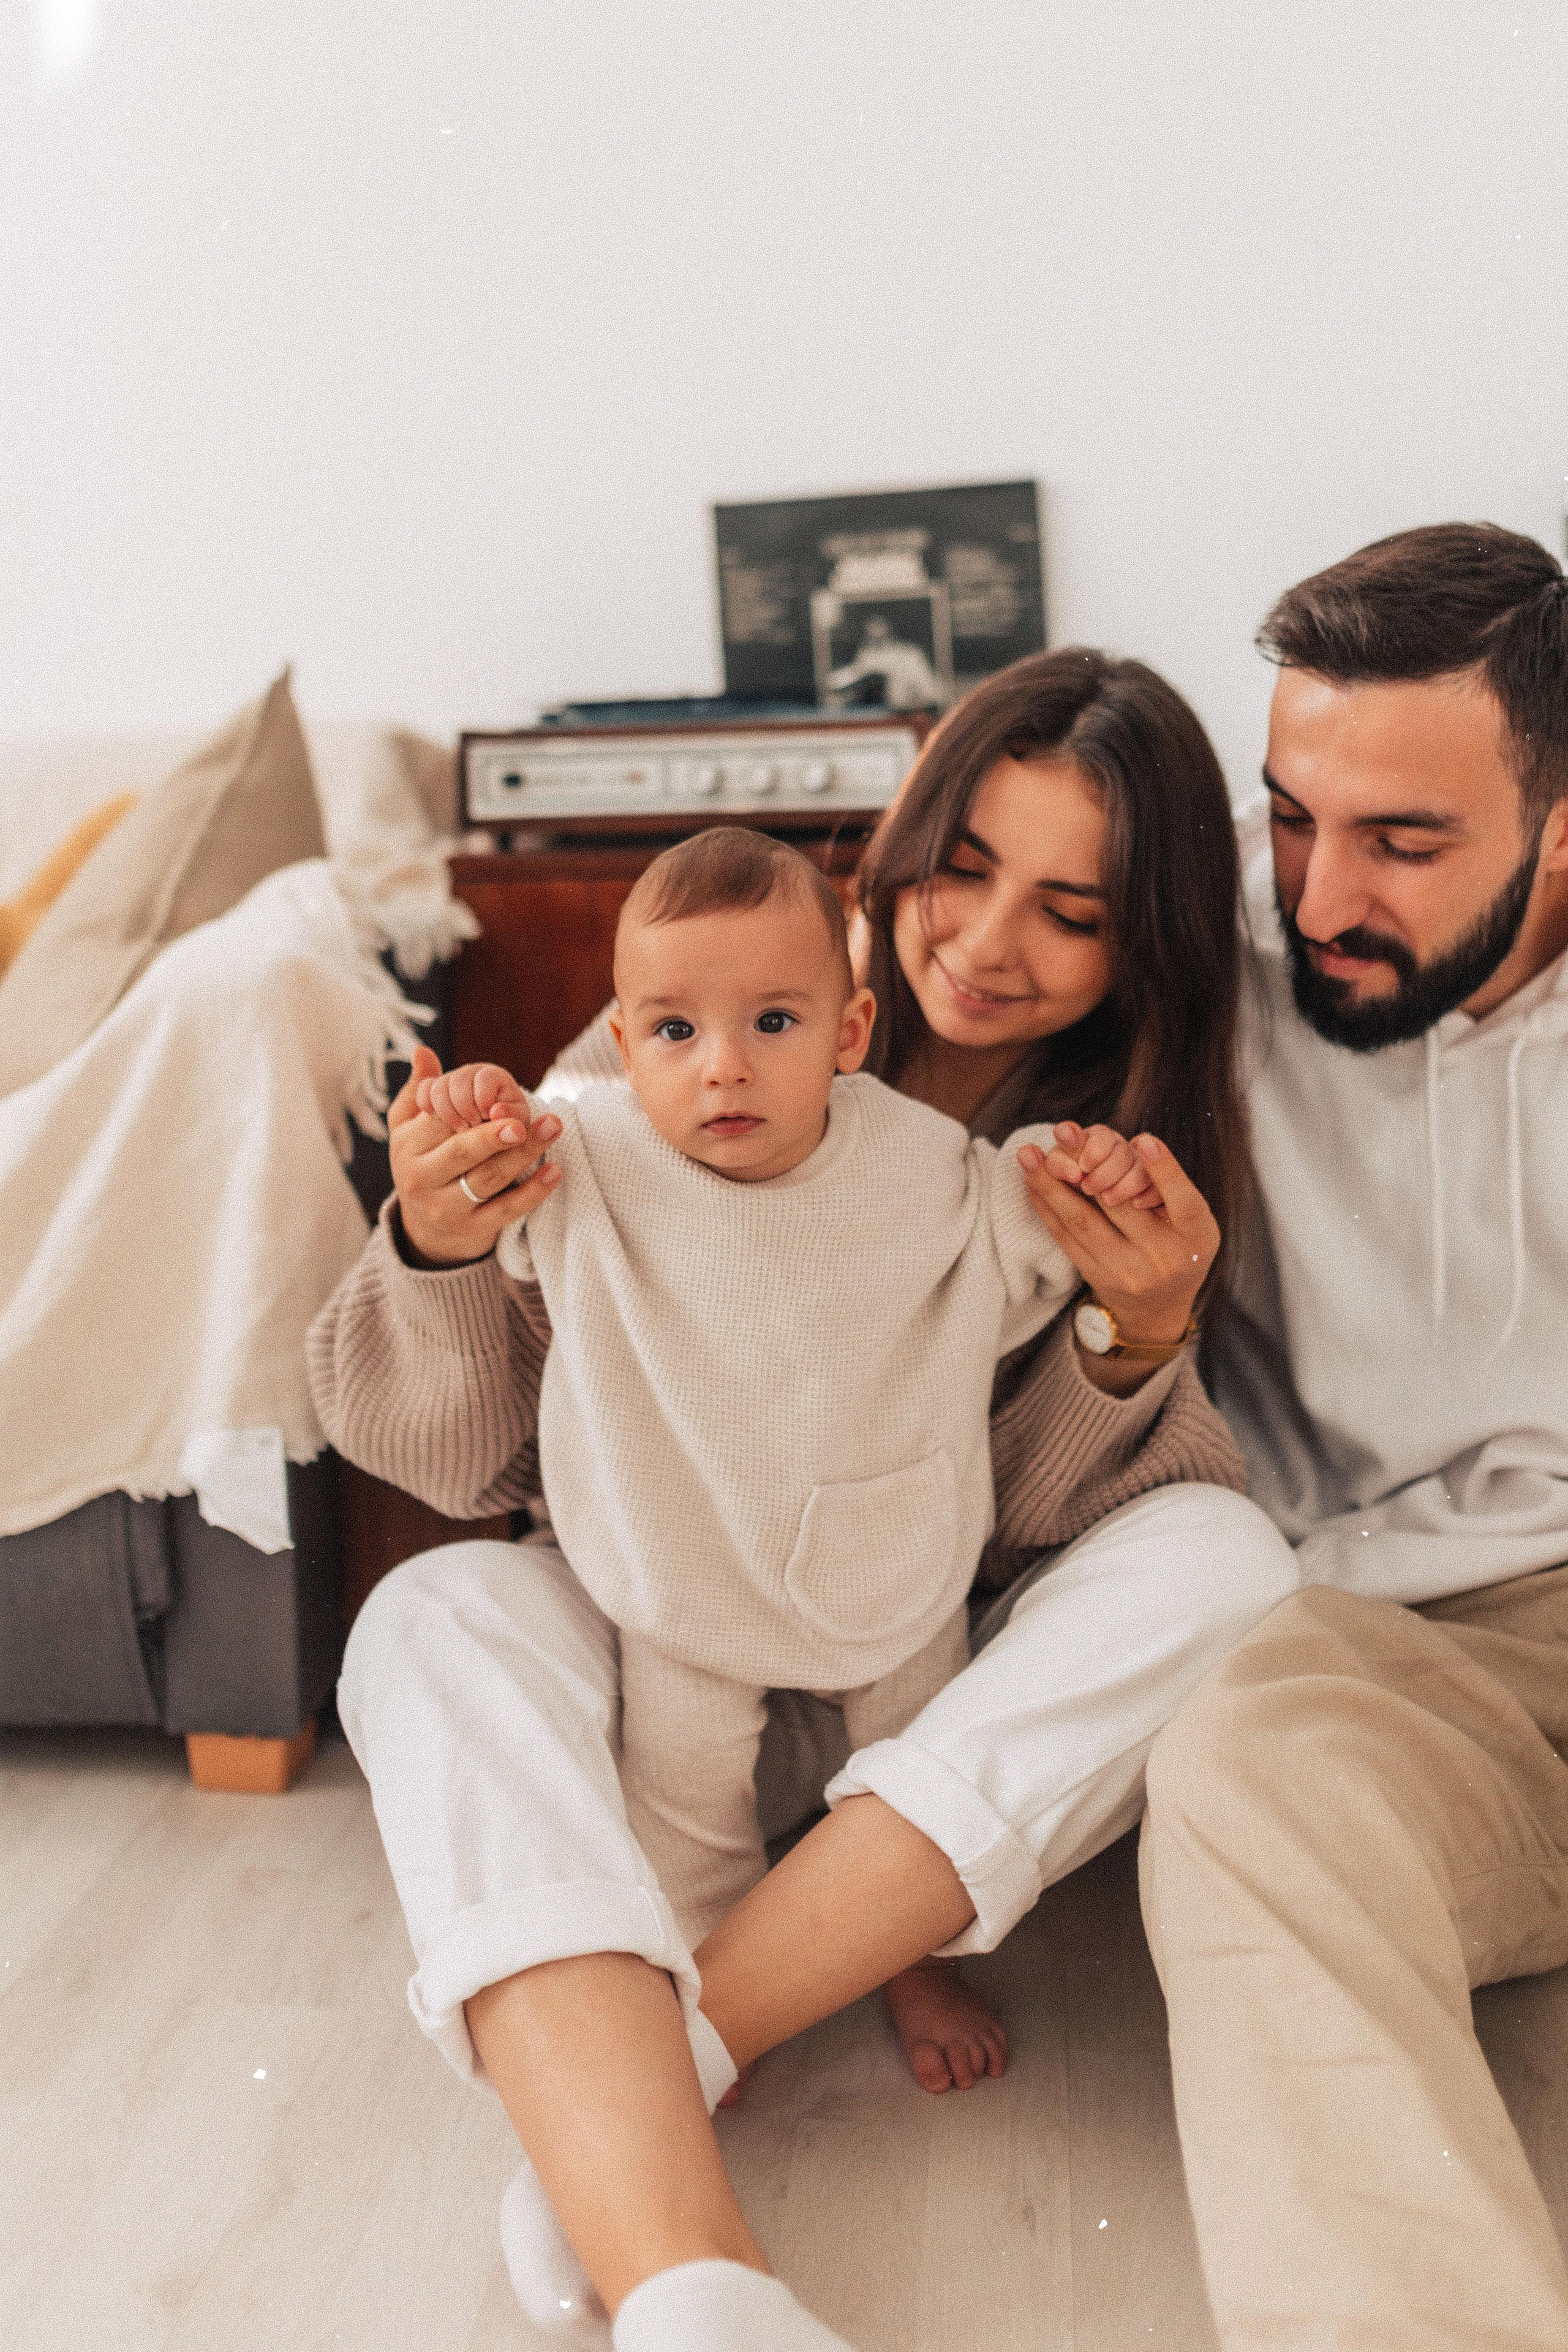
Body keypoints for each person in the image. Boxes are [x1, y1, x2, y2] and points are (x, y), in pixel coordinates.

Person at [311, 648, 1301, 2352]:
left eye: (1071, 909)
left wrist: (1135, 1339)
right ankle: (695, 2277)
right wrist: (441, 1240)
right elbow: (456, 1453)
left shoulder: (1092, 1163)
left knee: (1226, 1562)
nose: (987, 945)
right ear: (894, 853)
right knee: (425, 1618)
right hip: (663, 1637)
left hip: (918, 1695)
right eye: (965, 867)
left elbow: (1060, 1526)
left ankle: (643, 2089)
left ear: (1150, 946)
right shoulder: (659, 1068)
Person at [1131, 521, 1568, 2351]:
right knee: (1243, 1778)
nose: (1316, 897)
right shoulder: (1200, 932)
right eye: (1294, 813)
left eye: (1402, 841)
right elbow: (882, 974)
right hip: (1380, 1638)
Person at [416, 821, 1101, 1958]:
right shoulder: (584, 1156)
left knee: (918, 1786)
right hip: (679, 1570)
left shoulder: (926, 1163)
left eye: (773, 1022)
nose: (722, 1065)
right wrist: (468, 1124)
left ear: (851, 1031)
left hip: (891, 1551)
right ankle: (715, 1968)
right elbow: (491, 1175)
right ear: (625, 1047)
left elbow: (1033, 1224)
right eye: (676, 1031)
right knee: (684, 1811)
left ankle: (900, 1966)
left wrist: (1086, 1176)